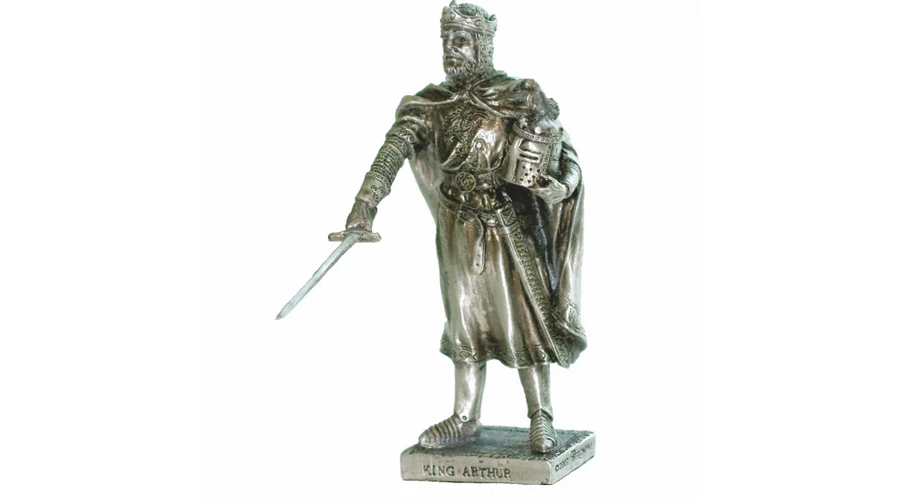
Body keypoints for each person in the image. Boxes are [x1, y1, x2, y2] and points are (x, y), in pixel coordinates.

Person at [345, 1, 586, 454]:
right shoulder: (431, 104)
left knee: (525, 322)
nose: (451, 50)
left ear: (482, 45)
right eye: (446, 41)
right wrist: (365, 202)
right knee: (464, 322)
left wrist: (561, 186)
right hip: (458, 229)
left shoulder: (518, 96)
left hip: (511, 228)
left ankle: (541, 416)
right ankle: (464, 416)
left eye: (461, 41)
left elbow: (564, 153)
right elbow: (394, 148)